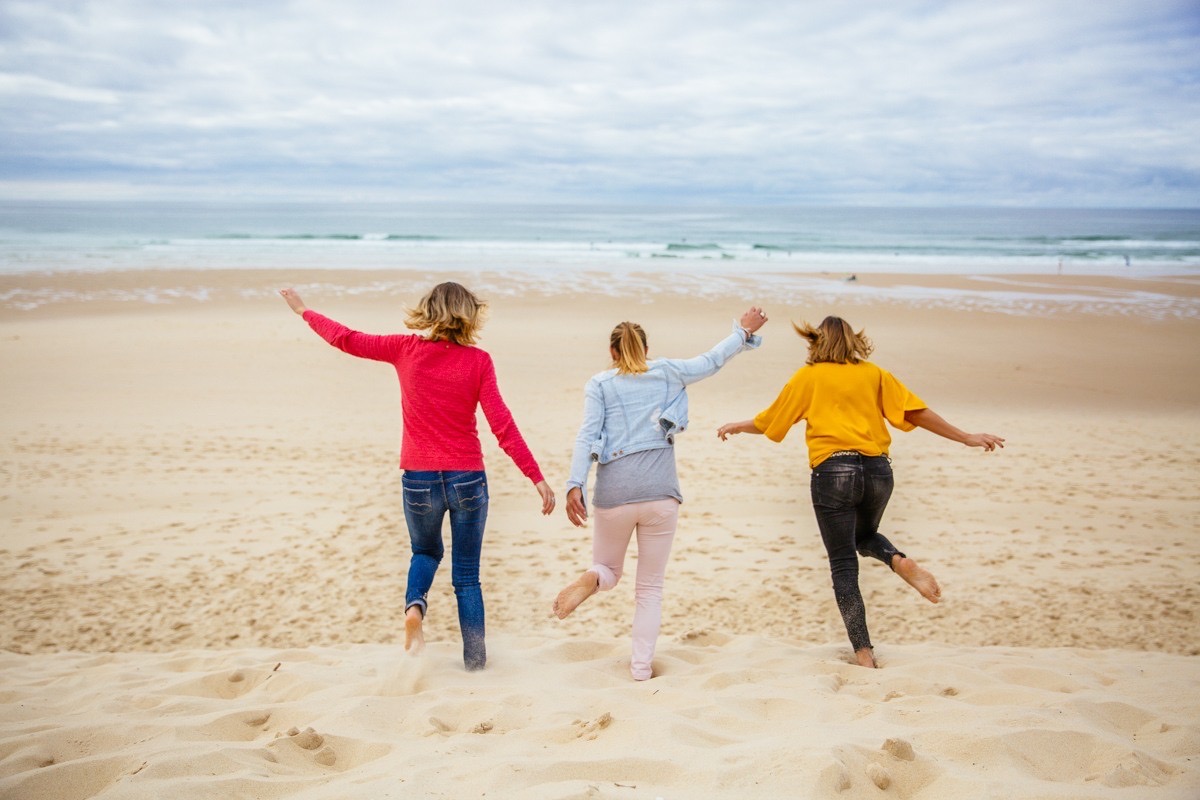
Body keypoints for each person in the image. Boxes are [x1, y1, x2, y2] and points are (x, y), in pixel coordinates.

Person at [279, 283, 555, 671]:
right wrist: (536, 477)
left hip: (419, 478)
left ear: (429, 310)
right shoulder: (478, 361)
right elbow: (502, 426)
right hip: (467, 479)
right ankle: (475, 665)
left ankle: (415, 607)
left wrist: (303, 311)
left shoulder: (404, 349)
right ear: (469, 315)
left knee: (425, 552)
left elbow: (346, 339)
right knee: (467, 578)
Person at [717, 315, 1004, 669]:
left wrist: (738, 426)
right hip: (878, 471)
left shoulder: (809, 377)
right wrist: (967, 437)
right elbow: (916, 413)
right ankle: (898, 560)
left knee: (843, 564)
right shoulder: (874, 374)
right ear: (854, 341)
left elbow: (771, 420)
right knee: (865, 535)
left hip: (833, 471)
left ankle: (864, 653)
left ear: (816, 342)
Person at [553, 306, 769, 680]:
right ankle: (640, 669)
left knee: (609, 568)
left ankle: (595, 577)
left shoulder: (600, 384)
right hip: (660, 494)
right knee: (649, 589)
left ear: (613, 352)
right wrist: (743, 332)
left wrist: (575, 483)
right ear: (647, 347)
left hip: (615, 493)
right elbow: (712, 360)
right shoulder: (668, 371)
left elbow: (587, 435)